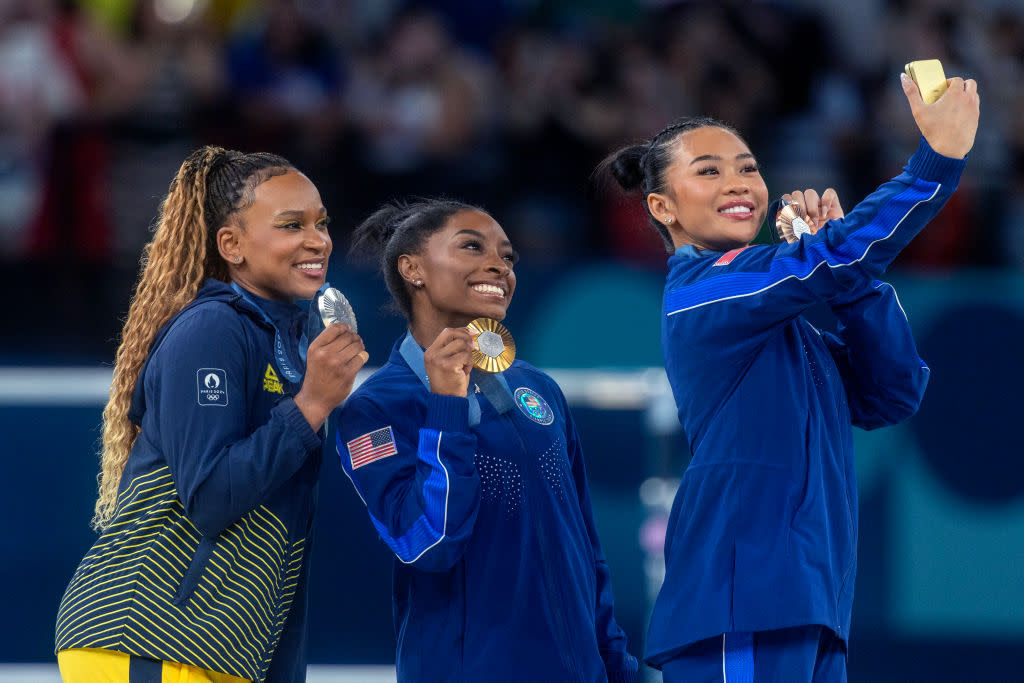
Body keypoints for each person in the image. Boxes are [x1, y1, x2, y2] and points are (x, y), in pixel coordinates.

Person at [600, 73, 979, 681]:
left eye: (748, 168)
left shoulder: (789, 330)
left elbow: (893, 392)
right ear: (662, 207)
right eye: (709, 171)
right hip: (741, 604)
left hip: (811, 601)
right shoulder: (702, 292)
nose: (738, 184)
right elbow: (830, 260)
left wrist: (849, 278)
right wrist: (937, 162)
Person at [55, 146, 367, 682]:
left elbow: (282, 537)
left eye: (321, 222)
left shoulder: (292, 343)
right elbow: (213, 497)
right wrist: (312, 403)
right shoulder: (212, 330)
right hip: (147, 640)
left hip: (218, 652)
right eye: (292, 225)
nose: (318, 240)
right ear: (232, 245)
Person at [335, 198, 640, 682]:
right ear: (412, 268)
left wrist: (614, 663)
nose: (498, 265)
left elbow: (585, 544)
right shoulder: (378, 407)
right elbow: (428, 542)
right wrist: (447, 406)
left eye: (507, 256)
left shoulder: (538, 389)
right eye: (471, 247)